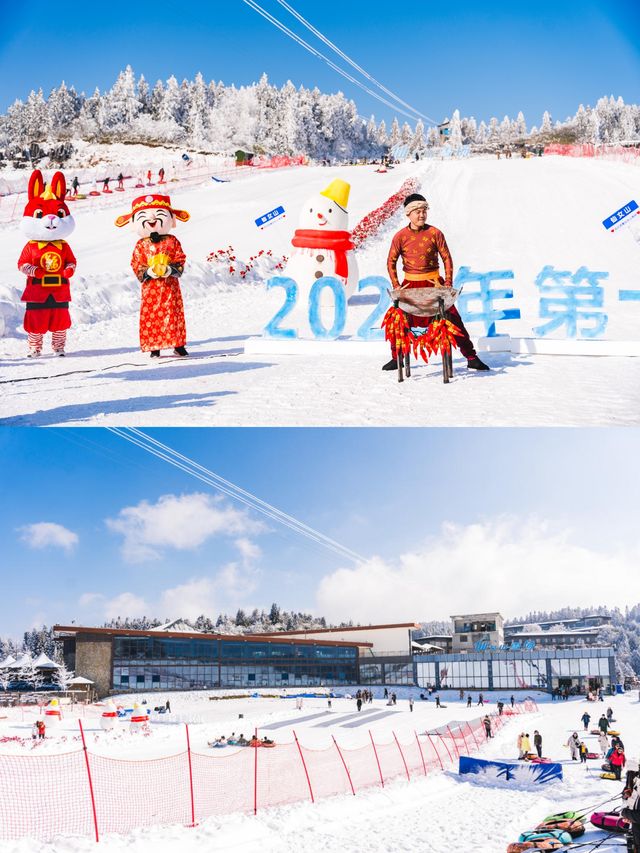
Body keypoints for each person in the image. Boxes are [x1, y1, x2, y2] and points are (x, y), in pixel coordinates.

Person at [383, 193, 489, 372]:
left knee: (453, 319)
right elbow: (390, 261)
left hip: (435, 284)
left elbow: (446, 257)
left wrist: (447, 282)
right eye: (417, 211)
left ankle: (471, 357)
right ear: (408, 213)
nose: (421, 214)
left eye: (424, 211)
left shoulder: (435, 233)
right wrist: (396, 285)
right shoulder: (400, 236)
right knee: (397, 320)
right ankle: (397, 358)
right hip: (410, 286)